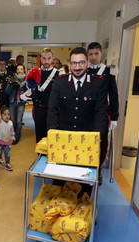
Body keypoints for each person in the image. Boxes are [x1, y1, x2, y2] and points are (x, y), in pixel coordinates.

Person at [47, 47, 108, 188]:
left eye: (81, 63)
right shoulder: (60, 82)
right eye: (74, 63)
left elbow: (101, 111)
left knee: (84, 181)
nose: (77, 67)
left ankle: (83, 204)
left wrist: (97, 137)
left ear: (87, 63)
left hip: (87, 139)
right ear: (69, 64)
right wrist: (52, 133)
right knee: (59, 180)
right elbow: (53, 110)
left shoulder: (98, 83)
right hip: (62, 137)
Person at [87, 42, 120, 173]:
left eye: (96, 53)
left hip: (101, 114)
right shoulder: (84, 70)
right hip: (85, 114)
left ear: (102, 54)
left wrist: (114, 117)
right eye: (90, 54)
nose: (93, 57)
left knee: (101, 143)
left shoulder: (108, 71)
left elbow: (113, 95)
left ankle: (98, 170)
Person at [31, 48, 60, 143]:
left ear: (52, 59)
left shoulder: (59, 74)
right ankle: (39, 156)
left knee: (51, 135)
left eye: (49, 58)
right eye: (44, 58)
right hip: (38, 109)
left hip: (52, 110)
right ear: (40, 59)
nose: (46, 61)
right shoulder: (35, 72)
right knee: (39, 135)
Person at [5, 64, 27, 144]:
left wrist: (23, 91)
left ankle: (17, 136)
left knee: (18, 121)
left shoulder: (27, 80)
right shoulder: (12, 79)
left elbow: (29, 92)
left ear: (24, 70)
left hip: (21, 103)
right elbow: (7, 91)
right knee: (13, 121)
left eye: (21, 69)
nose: (19, 71)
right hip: (12, 102)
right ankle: (12, 135)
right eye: (18, 69)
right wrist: (11, 84)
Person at [0, 106, 15, 171]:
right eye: (5, 114)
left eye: (8, 114)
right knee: (0, 151)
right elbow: (1, 132)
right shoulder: (0, 122)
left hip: (7, 141)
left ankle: (7, 164)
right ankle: (0, 158)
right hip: (0, 140)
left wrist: (12, 136)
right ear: (1, 115)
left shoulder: (10, 122)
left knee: (7, 153)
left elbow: (11, 130)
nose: (7, 116)